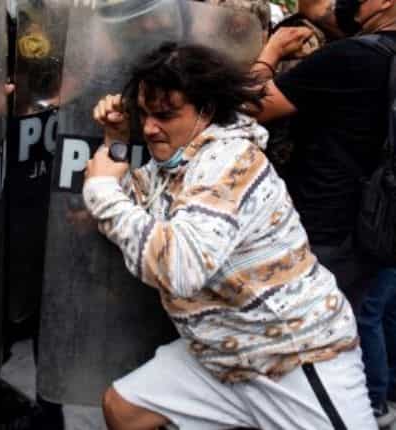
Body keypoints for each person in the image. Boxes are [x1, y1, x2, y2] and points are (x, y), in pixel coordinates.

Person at [87, 42, 374, 429]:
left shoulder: (231, 161)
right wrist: (116, 141)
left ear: (205, 111)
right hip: (223, 354)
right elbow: (129, 212)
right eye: (144, 114)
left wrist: (101, 191)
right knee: (124, 410)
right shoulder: (173, 164)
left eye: (165, 115)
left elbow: (180, 266)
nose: (151, 127)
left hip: (294, 358)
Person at [252, 0, 396, 424]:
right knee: (346, 332)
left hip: (322, 230)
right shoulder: (370, 55)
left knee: (296, 353)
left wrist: (271, 52)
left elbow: (252, 104)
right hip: (375, 227)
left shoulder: (353, 56)